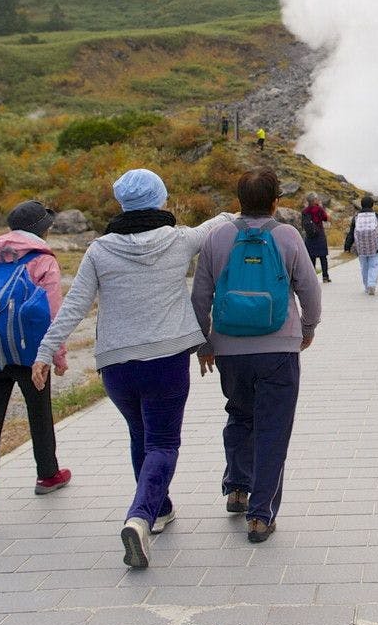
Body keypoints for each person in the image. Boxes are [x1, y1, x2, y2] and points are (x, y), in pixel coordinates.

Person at [32, 169, 235, 569]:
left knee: (140, 435)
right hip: (166, 361)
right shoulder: (179, 239)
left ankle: (160, 509)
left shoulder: (99, 249)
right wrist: (236, 211)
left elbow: (75, 306)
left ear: (121, 204)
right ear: (160, 200)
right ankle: (140, 518)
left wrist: (45, 351)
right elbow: (221, 222)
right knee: (162, 443)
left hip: (117, 366)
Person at [192, 168, 321, 543]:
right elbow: (309, 290)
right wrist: (309, 328)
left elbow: (201, 296)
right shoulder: (287, 236)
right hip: (279, 349)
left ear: (238, 201)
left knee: (239, 414)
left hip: (230, 349)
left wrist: (205, 342)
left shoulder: (217, 238)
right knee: (273, 428)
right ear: (275, 201)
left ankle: (236, 487)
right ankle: (260, 515)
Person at [0, 200, 71, 524]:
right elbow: (53, 313)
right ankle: (48, 475)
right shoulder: (43, 261)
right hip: (29, 352)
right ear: (41, 229)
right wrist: (57, 355)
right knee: (40, 410)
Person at [343, 195, 378, 295]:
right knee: (375, 266)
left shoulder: (356, 217)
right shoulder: (377, 216)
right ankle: (372, 284)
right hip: (375, 246)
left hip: (361, 247)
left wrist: (347, 246)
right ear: (372, 205)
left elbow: (351, 233)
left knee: (364, 267)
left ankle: (367, 286)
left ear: (361, 205)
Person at [301, 193, 331, 283]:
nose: (318, 200)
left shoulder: (304, 211)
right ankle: (325, 276)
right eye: (317, 199)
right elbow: (326, 218)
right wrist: (322, 208)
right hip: (320, 235)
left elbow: (303, 224)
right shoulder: (319, 209)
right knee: (323, 257)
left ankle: (313, 278)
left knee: (311, 258)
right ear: (314, 200)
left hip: (310, 237)